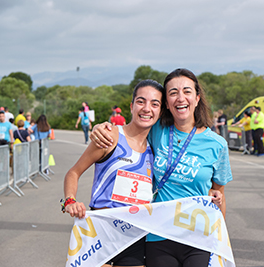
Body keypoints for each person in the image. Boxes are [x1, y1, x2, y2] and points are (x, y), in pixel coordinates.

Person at [91, 68, 232, 267]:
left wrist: (219, 240)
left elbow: (219, 195)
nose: (180, 98)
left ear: (197, 97)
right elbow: (129, 130)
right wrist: (102, 127)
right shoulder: (157, 130)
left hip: (198, 237)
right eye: (173, 92)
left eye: (187, 91)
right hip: (159, 235)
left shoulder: (217, 144)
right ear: (167, 102)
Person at [63, 79, 164, 267]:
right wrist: (69, 201)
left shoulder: (156, 148)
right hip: (100, 232)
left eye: (154, 104)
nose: (147, 108)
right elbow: (73, 172)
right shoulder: (110, 136)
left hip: (134, 237)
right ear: (132, 106)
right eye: (141, 101)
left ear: (160, 111)